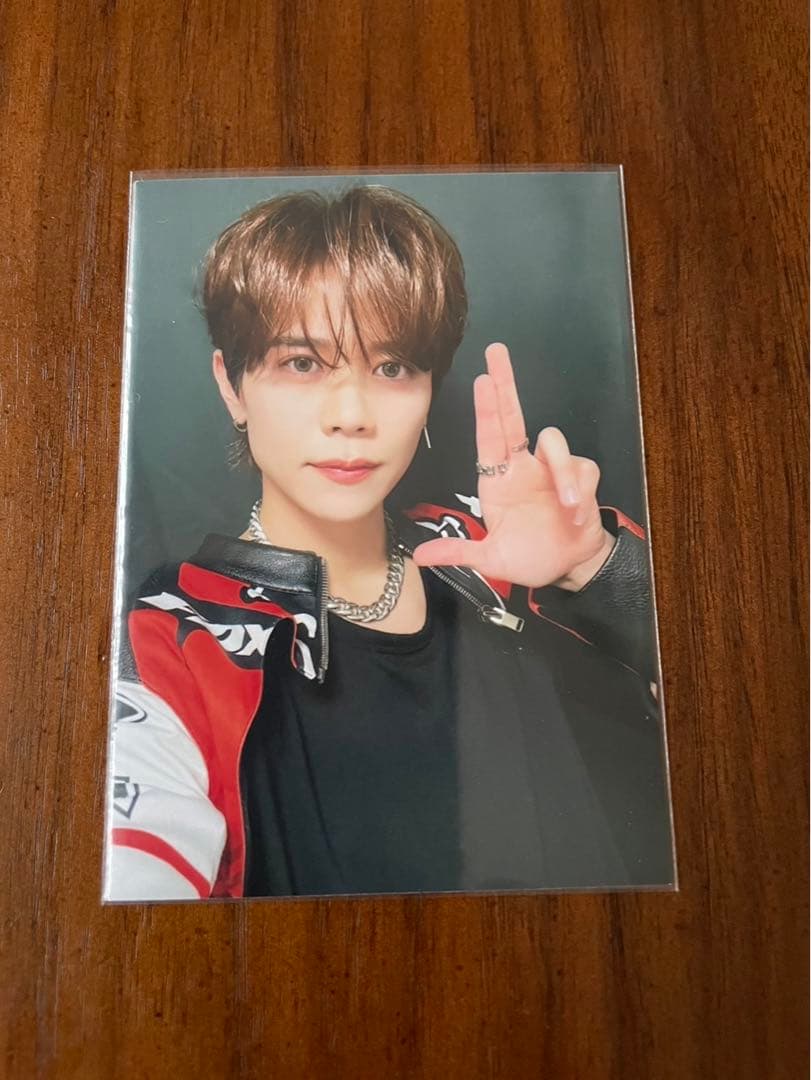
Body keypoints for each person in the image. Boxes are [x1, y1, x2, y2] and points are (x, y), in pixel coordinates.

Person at [105, 185, 673, 901]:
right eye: (302, 363)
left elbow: (754, 712)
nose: (351, 415)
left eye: (392, 366)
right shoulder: (170, 640)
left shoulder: (494, 547)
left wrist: (592, 566)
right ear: (233, 385)